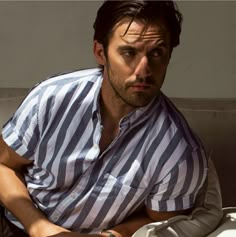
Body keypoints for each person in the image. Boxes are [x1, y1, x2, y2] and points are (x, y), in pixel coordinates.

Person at [0, 1, 222, 237]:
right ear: (100, 52)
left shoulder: (180, 154)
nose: (143, 70)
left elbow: (156, 224)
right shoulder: (52, 98)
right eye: (129, 52)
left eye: (156, 52)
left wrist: (111, 236)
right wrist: (39, 228)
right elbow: (3, 164)